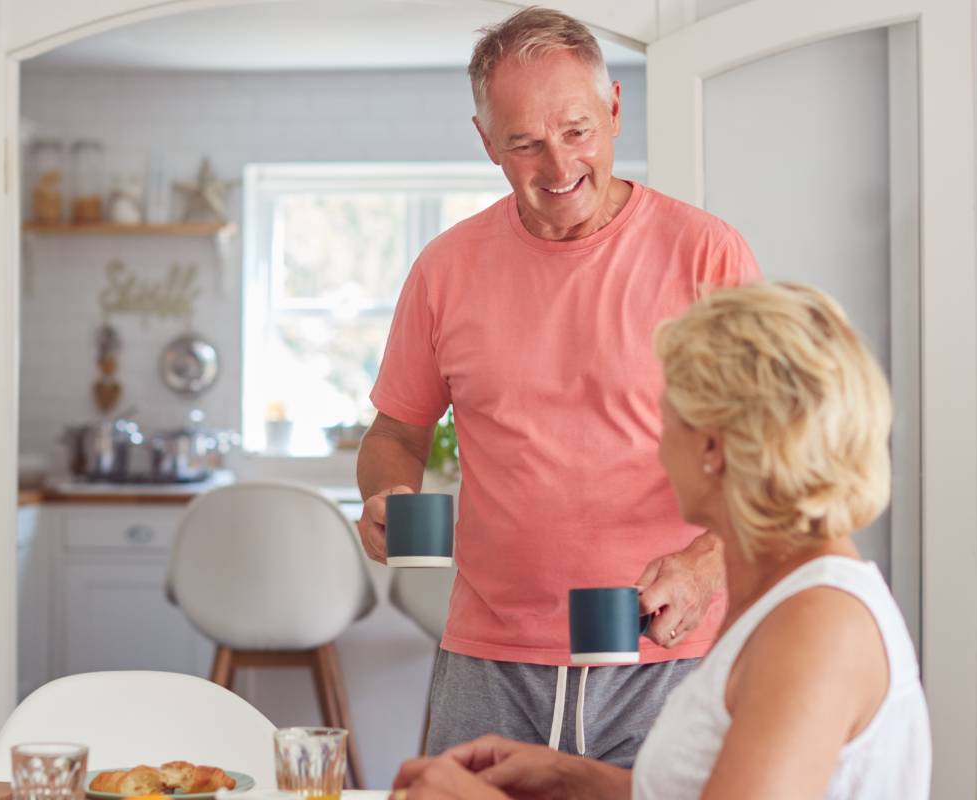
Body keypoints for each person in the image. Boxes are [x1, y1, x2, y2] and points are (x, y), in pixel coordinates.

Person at [356, 7, 761, 765]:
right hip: (489, 659)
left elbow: (773, 455)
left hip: (665, 656)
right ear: (486, 144)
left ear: (613, 107)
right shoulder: (446, 270)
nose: (558, 166)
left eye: (576, 131)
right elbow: (395, 435)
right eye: (524, 143)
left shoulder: (705, 254)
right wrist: (384, 494)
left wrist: (709, 563)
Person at [390, 282, 931, 800]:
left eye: (664, 417)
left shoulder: (817, 628)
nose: (653, 445)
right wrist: (567, 778)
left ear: (713, 449)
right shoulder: (787, 598)